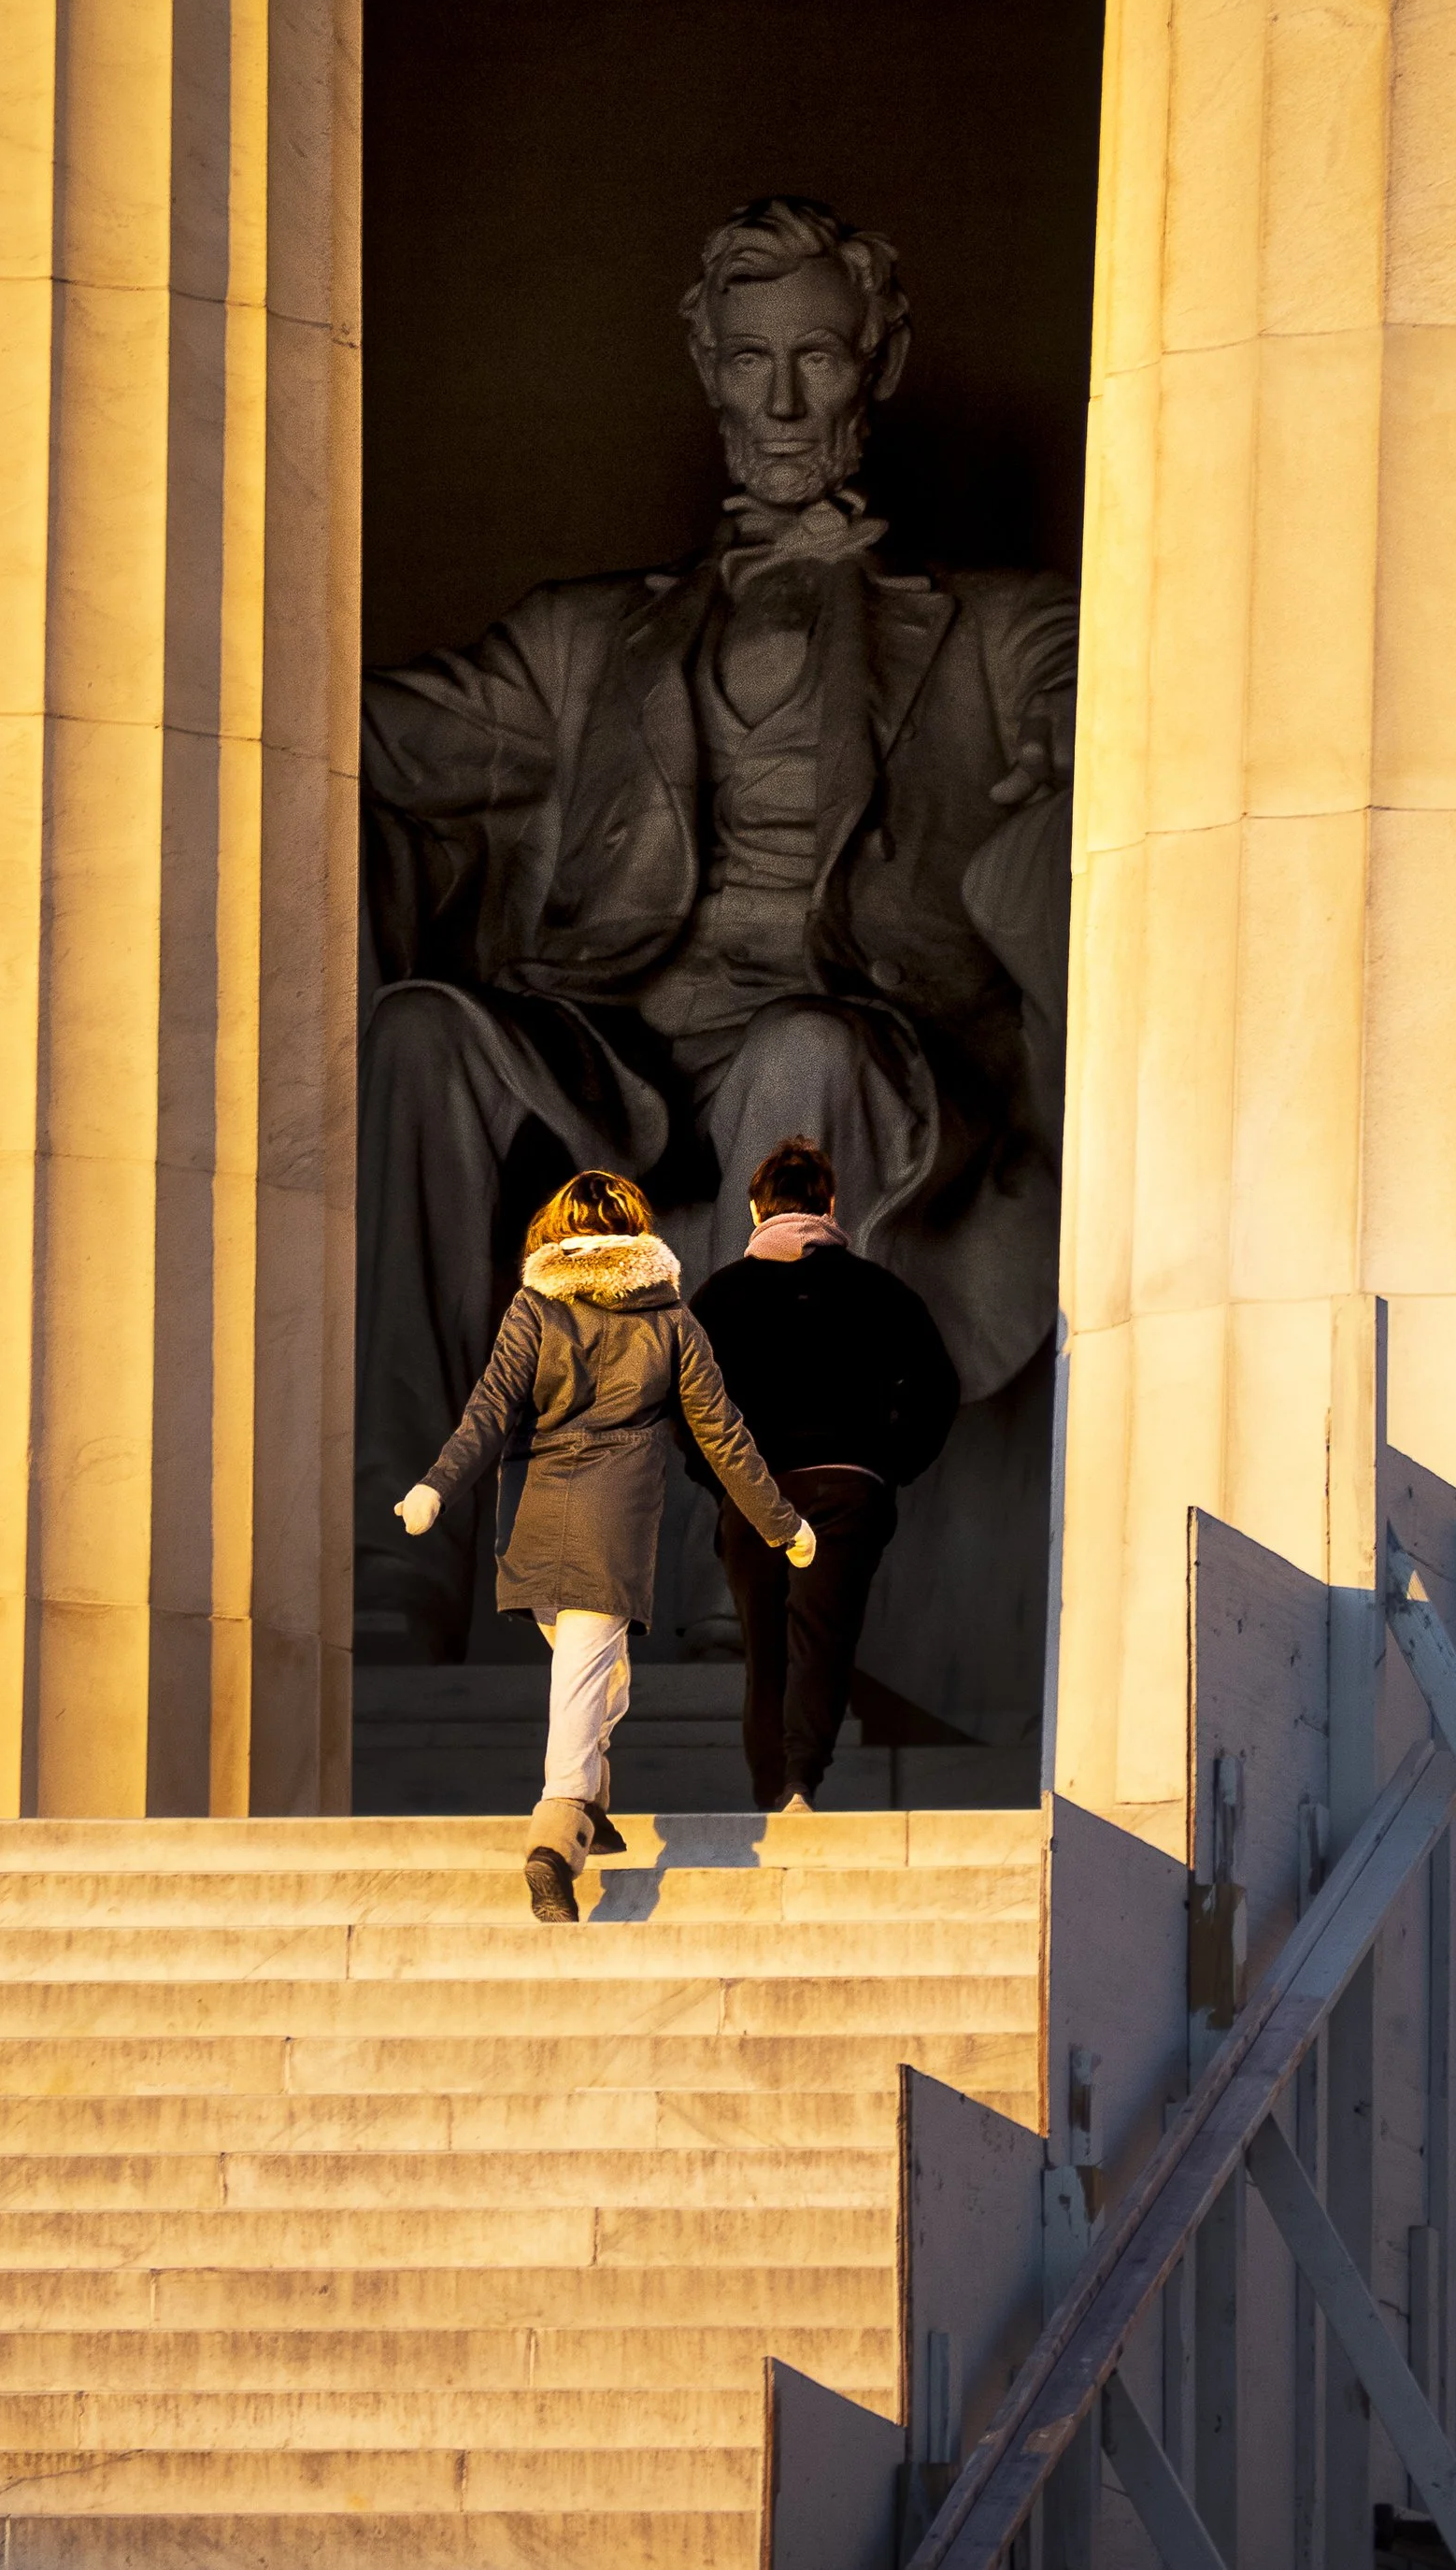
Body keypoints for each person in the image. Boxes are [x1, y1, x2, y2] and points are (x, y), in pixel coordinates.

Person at [355, 195, 1077, 1658]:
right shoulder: (580, 641)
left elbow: (1140, 698)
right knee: (421, 1033)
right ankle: (395, 1555)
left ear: (879, 362)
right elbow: (345, 738)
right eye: (753, 360)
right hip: (607, 1049)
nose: (786, 398)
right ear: (708, 366)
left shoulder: (999, 631)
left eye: (818, 355)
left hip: (860, 1047)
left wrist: (1083, 745)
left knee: (798, 1062)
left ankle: (736, 1558)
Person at [393, 1168, 816, 1922]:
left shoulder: (535, 1305)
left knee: (595, 1672)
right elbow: (722, 1434)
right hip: (611, 1520)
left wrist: (435, 1487)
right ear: (636, 1231)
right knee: (588, 1679)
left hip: (532, 1517)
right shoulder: (671, 1319)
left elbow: (490, 1408)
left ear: (557, 1229)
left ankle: (593, 1797)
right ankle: (557, 1834)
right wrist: (783, 1524)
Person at [690, 1135, 959, 1811]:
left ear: (757, 1210)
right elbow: (938, 1387)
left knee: (765, 1650)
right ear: (830, 1204)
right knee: (822, 1639)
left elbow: (682, 1401)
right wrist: (885, 1467)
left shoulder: (721, 1297)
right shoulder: (878, 1290)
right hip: (845, 1489)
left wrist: (718, 1476)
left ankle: (770, 1792)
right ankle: (800, 1782)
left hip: (755, 1494)